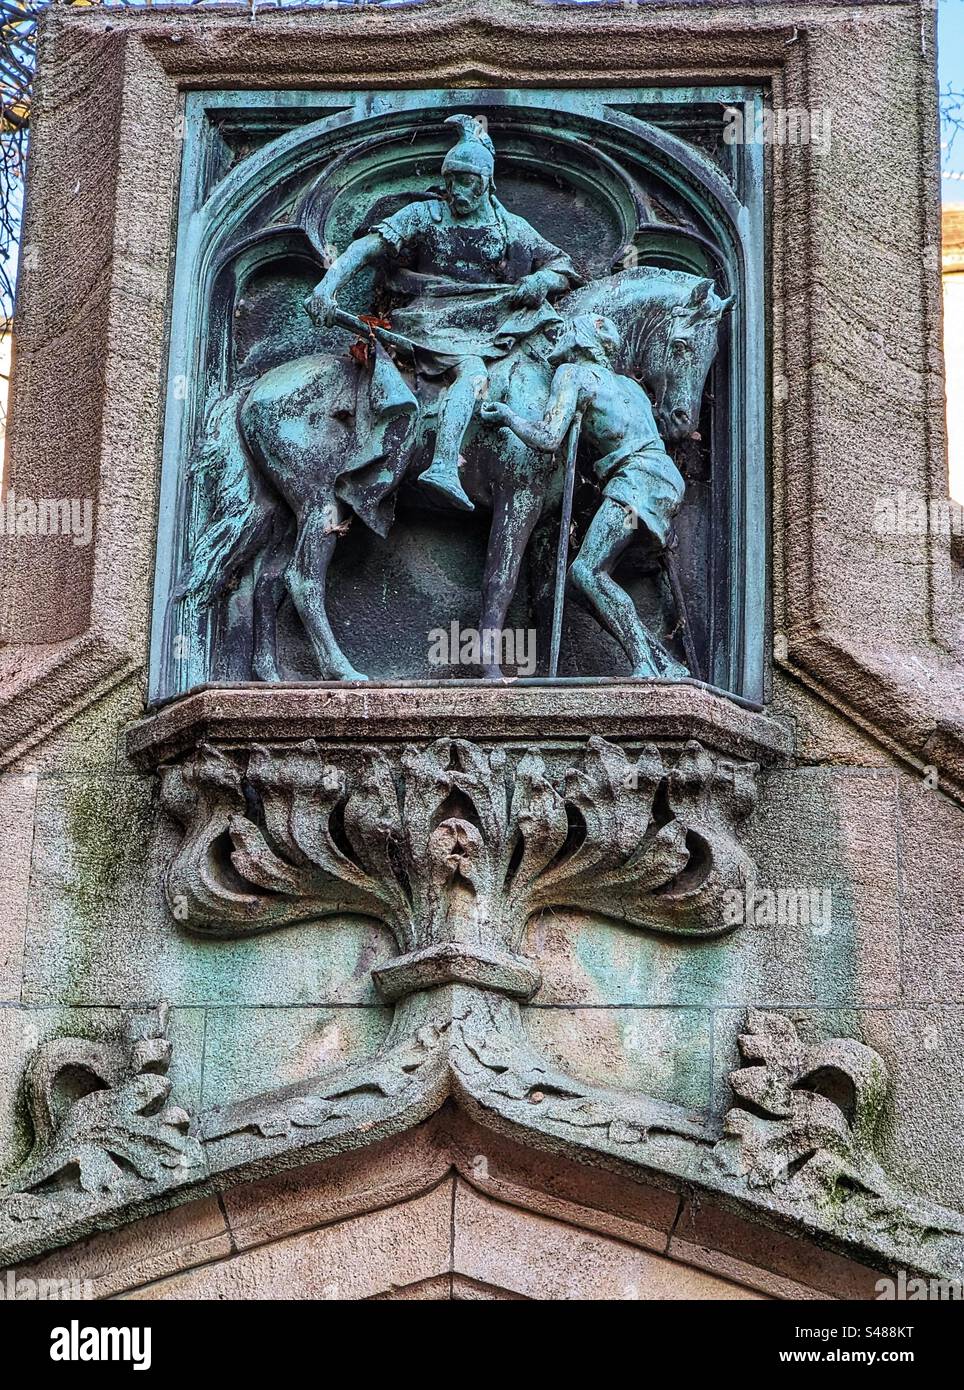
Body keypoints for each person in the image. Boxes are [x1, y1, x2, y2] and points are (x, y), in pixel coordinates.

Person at [305, 114, 582, 511]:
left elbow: (563, 266)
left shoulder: (511, 228)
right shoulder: (424, 215)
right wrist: (327, 286)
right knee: (472, 373)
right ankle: (443, 466)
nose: (457, 191)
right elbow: (367, 248)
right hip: (431, 320)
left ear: (486, 183)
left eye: (467, 182)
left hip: (494, 321)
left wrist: (543, 282)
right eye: (451, 180)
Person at [480, 314, 688, 678]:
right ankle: (663, 663)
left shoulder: (572, 375)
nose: (556, 338)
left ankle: (643, 665)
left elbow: (547, 439)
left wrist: (507, 417)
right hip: (664, 483)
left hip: (636, 482)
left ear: (580, 339)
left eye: (564, 331)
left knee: (586, 572)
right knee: (596, 573)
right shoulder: (629, 386)